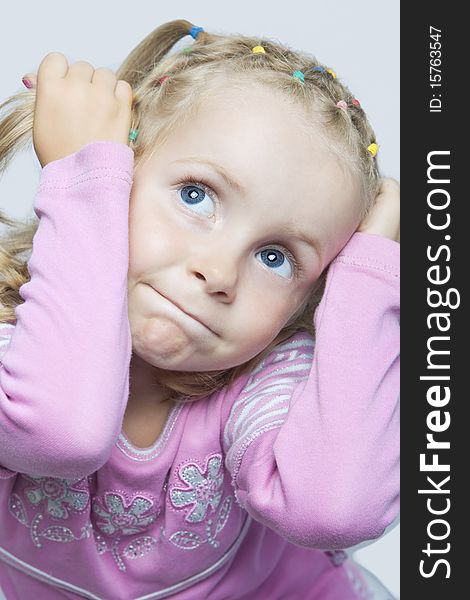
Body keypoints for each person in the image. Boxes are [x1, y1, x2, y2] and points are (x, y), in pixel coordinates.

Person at [0, 19, 399, 599]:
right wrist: (84, 180)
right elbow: (60, 432)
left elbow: (334, 509)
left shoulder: (264, 383)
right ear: (123, 168)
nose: (219, 272)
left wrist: (372, 273)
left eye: (275, 256)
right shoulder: (17, 342)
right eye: (196, 195)